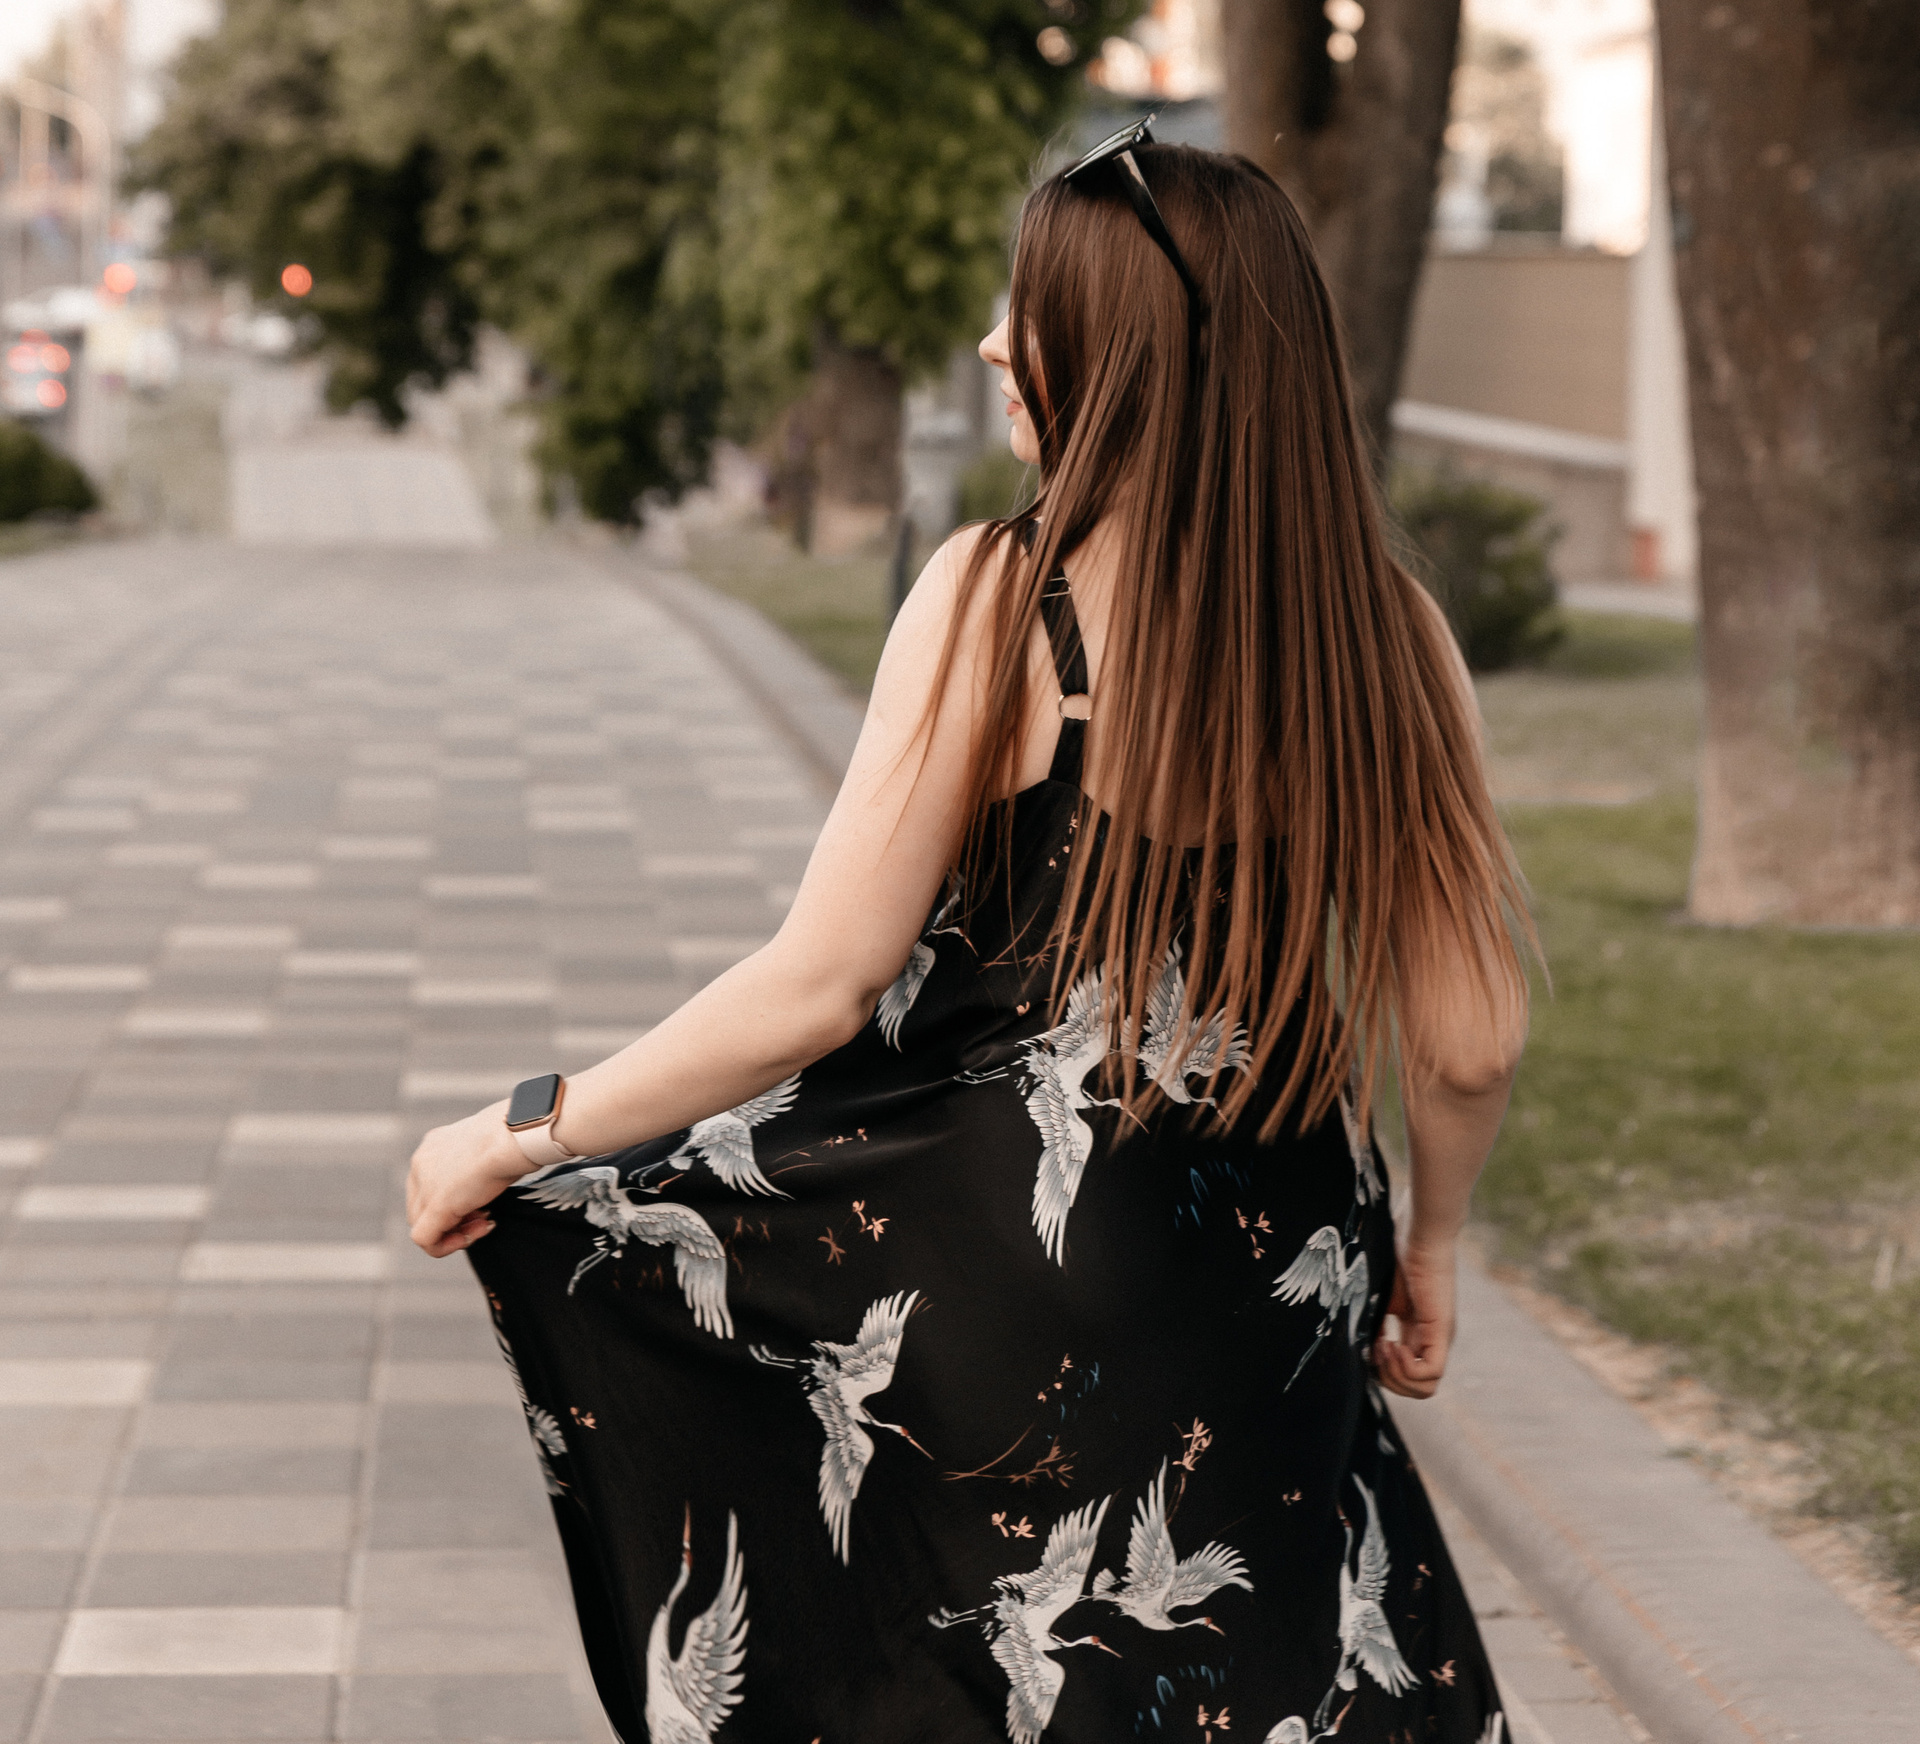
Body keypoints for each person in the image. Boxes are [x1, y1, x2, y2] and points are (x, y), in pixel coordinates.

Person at [407, 128, 1530, 1744]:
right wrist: (1429, 1251)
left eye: (1033, 313)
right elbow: (1471, 1041)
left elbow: (822, 982)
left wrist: (531, 1126)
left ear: (1127, 356)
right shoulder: (1393, 639)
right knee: (1266, 1678)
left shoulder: (1005, 602)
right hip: (1275, 1284)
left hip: (1001, 1272)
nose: (997, 344)